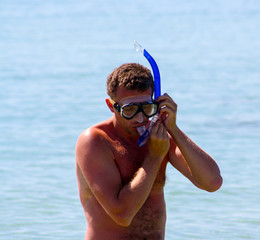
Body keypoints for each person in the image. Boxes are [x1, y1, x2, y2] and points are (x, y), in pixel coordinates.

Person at [75, 63, 222, 240]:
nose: (140, 118)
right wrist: (154, 156)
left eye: (146, 108)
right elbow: (122, 215)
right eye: (129, 109)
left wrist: (173, 129)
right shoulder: (95, 141)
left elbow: (212, 182)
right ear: (111, 105)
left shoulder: (158, 135)